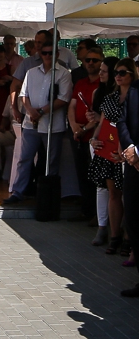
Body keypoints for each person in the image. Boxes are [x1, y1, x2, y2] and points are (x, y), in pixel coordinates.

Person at [3, 38, 72, 204]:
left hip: (52, 125)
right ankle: (19, 192)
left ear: (57, 54)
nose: (47, 56)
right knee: (24, 158)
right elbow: (23, 94)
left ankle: (47, 196)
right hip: (30, 123)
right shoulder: (31, 72)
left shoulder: (64, 73)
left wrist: (40, 111)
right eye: (44, 53)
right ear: (40, 54)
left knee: (51, 162)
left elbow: (63, 99)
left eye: (50, 53)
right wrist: (31, 111)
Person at [89, 58, 137, 254]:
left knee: (129, 197)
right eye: (116, 72)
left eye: (122, 72)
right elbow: (102, 123)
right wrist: (93, 139)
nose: (118, 76)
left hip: (130, 153)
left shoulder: (135, 97)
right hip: (109, 152)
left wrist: (125, 149)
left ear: (132, 74)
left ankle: (128, 239)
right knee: (113, 194)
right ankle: (114, 236)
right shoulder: (110, 98)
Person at [67, 45, 103, 222]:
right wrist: (74, 126)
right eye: (87, 60)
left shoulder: (103, 86)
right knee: (82, 175)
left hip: (95, 137)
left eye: (95, 60)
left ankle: (98, 214)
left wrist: (84, 129)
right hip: (79, 136)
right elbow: (72, 106)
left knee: (96, 177)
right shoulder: (80, 83)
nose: (90, 63)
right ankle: (86, 211)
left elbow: (101, 116)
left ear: (101, 62)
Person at [86, 57, 118, 247]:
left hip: (116, 144)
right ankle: (102, 226)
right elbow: (98, 121)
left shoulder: (122, 95)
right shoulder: (98, 93)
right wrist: (92, 136)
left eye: (104, 71)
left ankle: (116, 230)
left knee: (116, 189)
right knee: (102, 187)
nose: (100, 73)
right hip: (99, 142)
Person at [117, 73, 139, 296]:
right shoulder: (134, 89)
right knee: (133, 219)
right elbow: (122, 121)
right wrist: (131, 148)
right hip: (134, 166)